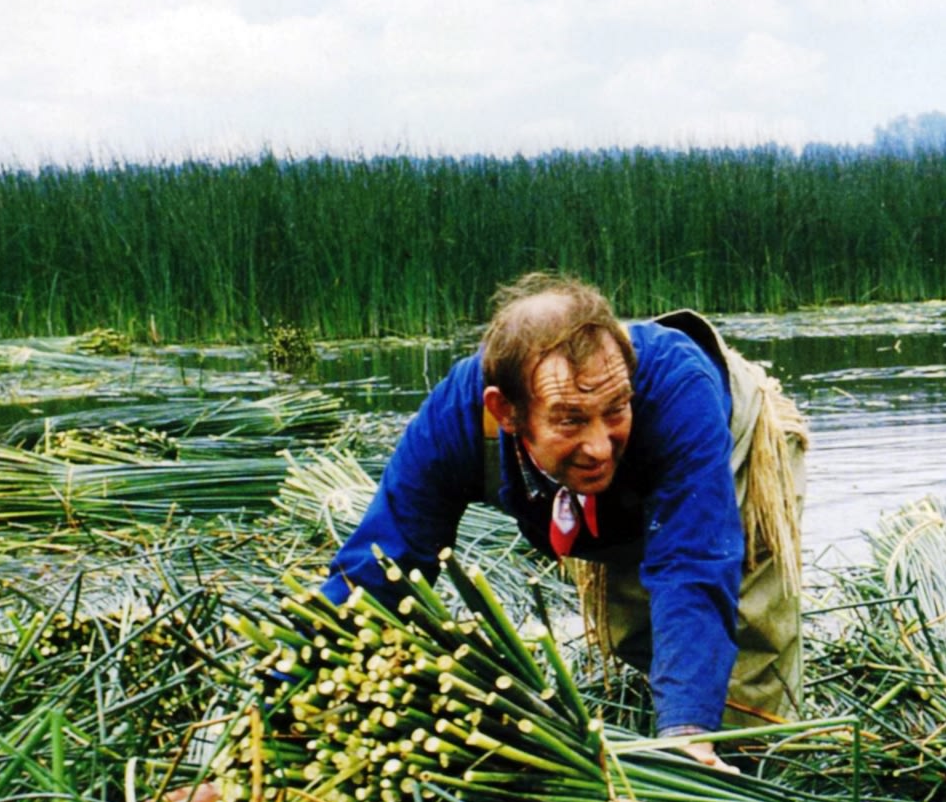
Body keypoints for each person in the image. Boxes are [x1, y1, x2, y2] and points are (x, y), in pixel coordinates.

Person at [328, 272, 806, 764]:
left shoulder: (677, 397)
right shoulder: (455, 420)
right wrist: (307, 659)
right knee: (638, 631)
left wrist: (688, 733)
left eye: (616, 409)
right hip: (608, 484)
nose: (598, 446)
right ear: (507, 411)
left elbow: (693, 566)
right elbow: (385, 560)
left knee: (744, 676)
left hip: (733, 447)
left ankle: (756, 769)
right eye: (570, 419)